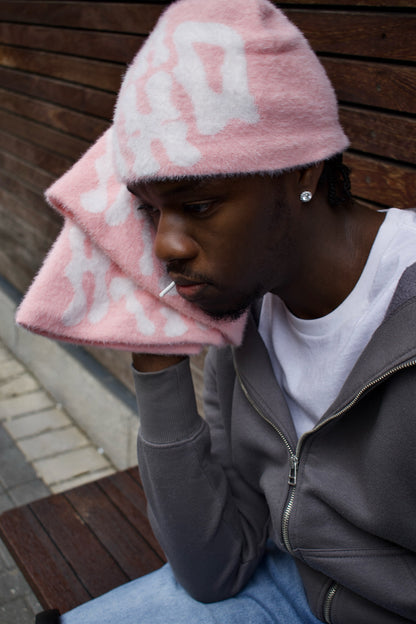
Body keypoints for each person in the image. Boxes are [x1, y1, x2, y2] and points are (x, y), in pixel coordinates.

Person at [34, 0, 416, 622]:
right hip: (289, 584)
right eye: (150, 210)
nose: (164, 247)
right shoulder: (245, 314)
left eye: (201, 204)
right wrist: (155, 362)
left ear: (304, 170)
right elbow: (213, 570)